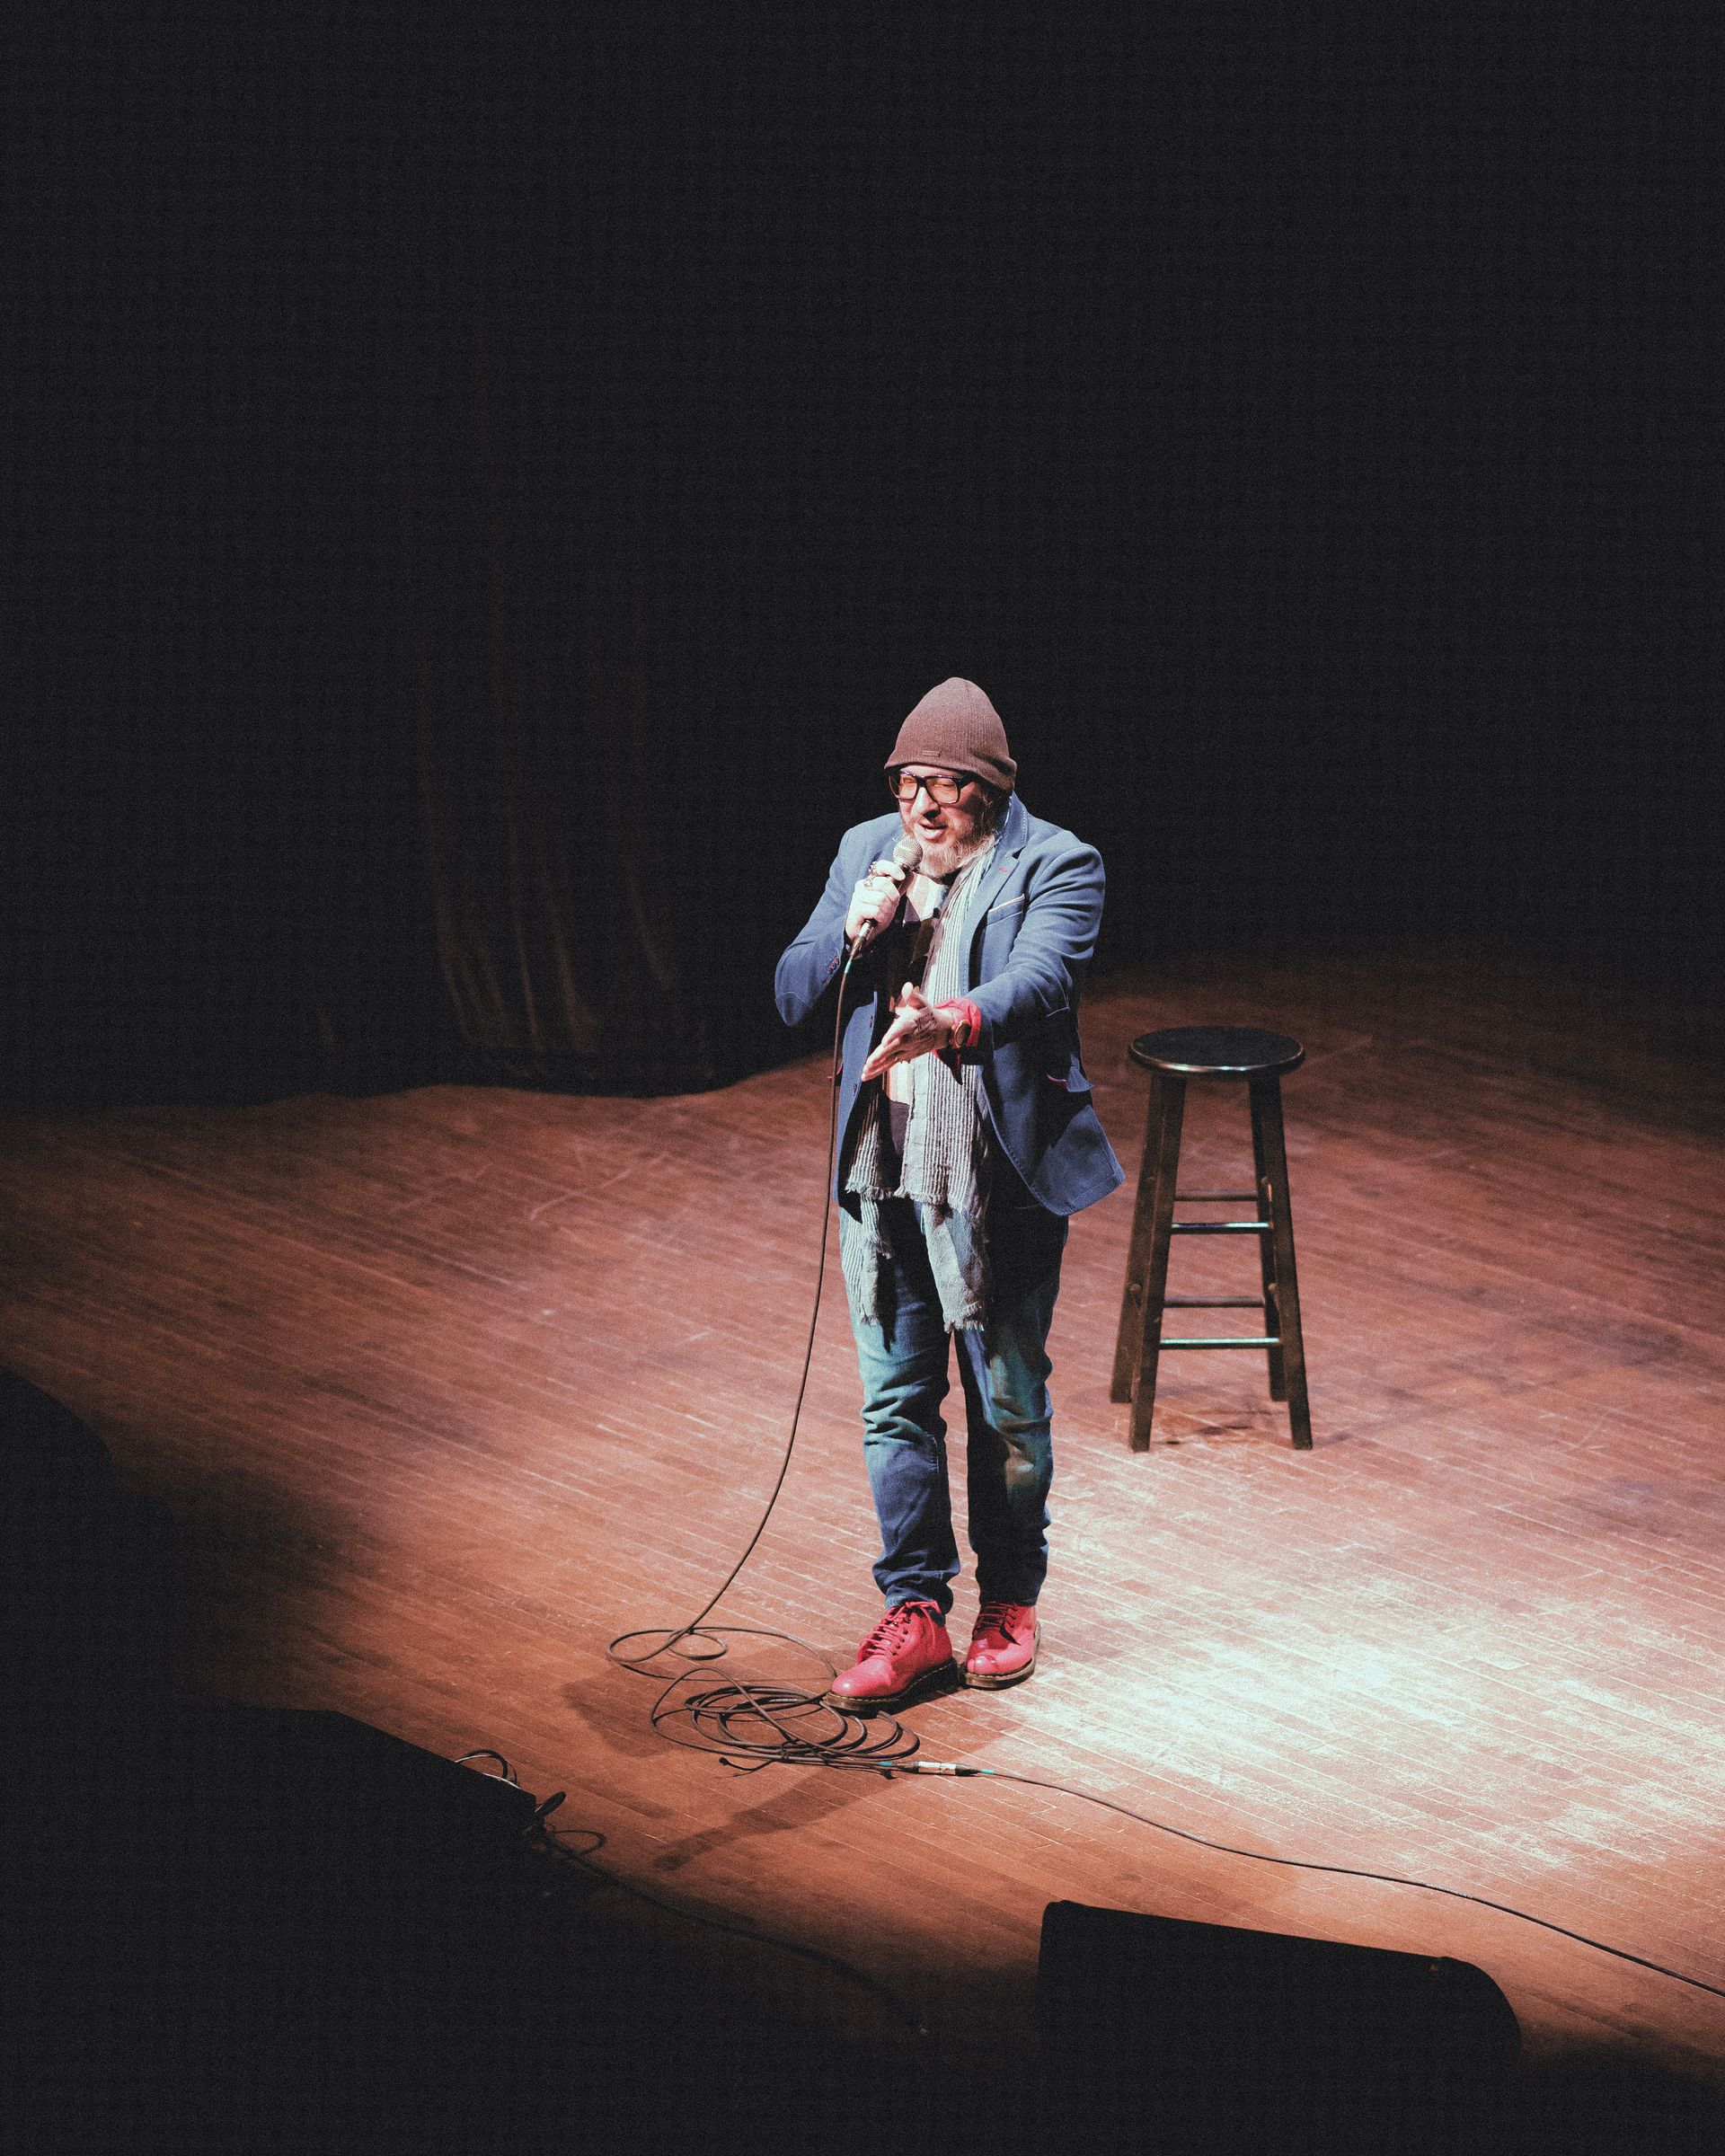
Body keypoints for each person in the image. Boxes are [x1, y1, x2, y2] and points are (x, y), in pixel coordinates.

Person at [774, 678, 1122, 1708]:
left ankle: (1008, 1599)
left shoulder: (1054, 862)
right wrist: (854, 932)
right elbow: (794, 989)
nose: (924, 807)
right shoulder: (862, 856)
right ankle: (915, 1610)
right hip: (880, 1175)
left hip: (995, 1183)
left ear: (993, 793)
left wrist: (952, 1021)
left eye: (950, 787)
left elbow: (1040, 982)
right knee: (894, 1401)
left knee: (1005, 1401)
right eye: (910, 784)